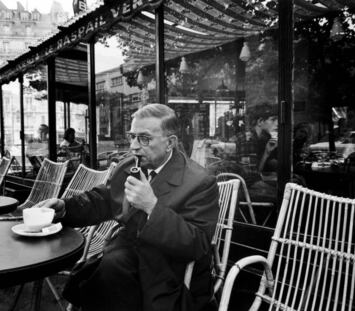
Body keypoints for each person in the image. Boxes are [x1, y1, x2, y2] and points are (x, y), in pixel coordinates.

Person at [35, 104, 219, 311]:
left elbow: (198, 244)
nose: (133, 146)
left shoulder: (199, 182)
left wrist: (152, 206)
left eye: (144, 138)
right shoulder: (130, 165)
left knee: (109, 271)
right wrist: (65, 207)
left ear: (170, 143)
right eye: (132, 136)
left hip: (170, 269)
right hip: (125, 259)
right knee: (110, 269)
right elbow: (103, 199)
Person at [236, 103, 278, 174]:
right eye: (273, 120)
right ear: (260, 122)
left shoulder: (261, 138)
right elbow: (250, 176)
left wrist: (266, 153)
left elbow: (257, 171)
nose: (277, 123)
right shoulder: (248, 139)